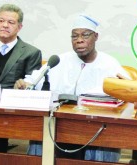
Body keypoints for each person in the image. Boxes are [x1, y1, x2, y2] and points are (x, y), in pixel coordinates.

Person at [14, 15, 130, 162]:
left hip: (95, 126)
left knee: (102, 141)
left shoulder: (109, 64)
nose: (79, 40)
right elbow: (33, 81)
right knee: (40, 133)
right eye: (74, 36)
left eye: (85, 35)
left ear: (96, 36)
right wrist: (24, 85)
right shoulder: (59, 61)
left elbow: (127, 90)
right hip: (59, 124)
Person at [0, 4, 42, 153]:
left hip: (11, 112)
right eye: (1, 21)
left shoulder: (31, 53)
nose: (5, 25)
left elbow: (32, 86)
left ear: (20, 27)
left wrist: (24, 86)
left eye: (11, 22)